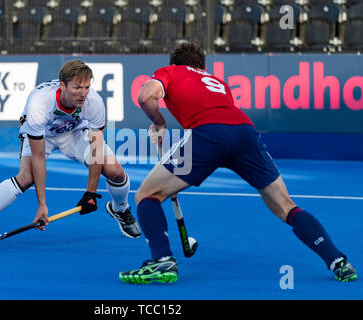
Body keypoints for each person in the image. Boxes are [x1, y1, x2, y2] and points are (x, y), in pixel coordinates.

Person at [119, 43, 357, 284]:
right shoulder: (218, 83)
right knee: (285, 205)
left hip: (208, 135)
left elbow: (145, 97)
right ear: (203, 67)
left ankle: (161, 261)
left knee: (147, 195)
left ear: (175, 63)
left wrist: (158, 121)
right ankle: (337, 260)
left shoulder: (171, 71)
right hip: (245, 133)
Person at [0, 60, 141, 247]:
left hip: (74, 132)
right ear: (63, 85)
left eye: (86, 87)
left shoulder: (94, 102)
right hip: (43, 132)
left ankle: (120, 208)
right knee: (26, 177)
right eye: (77, 87)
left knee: (116, 171)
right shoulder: (39, 103)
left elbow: (96, 150)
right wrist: (42, 205)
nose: (83, 93)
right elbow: (38, 157)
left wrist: (91, 193)